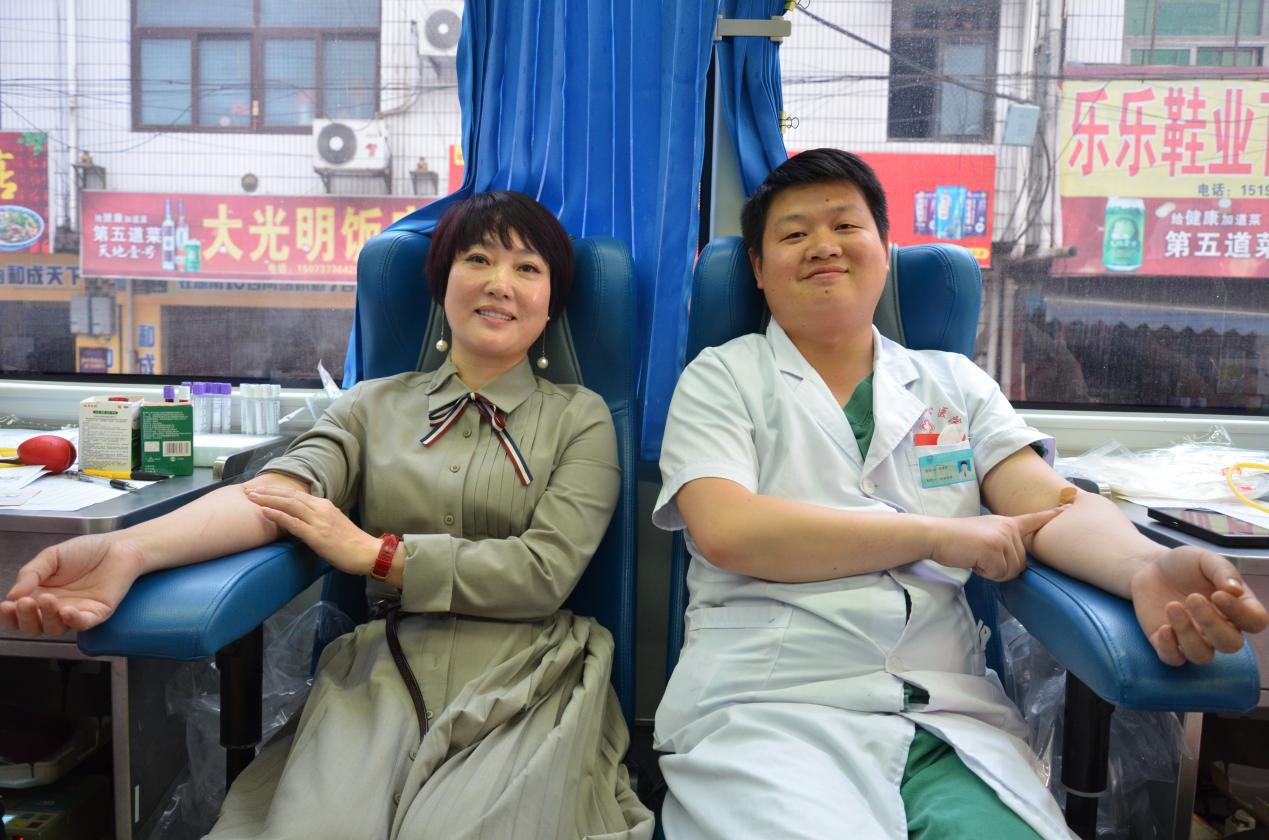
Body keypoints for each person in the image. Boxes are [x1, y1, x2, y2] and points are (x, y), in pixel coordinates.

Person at [651, 149, 1268, 840]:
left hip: (941, 715)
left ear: (884, 251)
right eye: (794, 234)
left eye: (845, 226)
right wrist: (938, 535)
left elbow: (1047, 506)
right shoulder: (722, 379)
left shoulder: (953, 383)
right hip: (769, 707)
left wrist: (1142, 566)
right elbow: (729, 530)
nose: (823, 246)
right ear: (760, 271)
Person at [2, 191, 654, 840]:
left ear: (551, 301)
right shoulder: (370, 406)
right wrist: (128, 550)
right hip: (388, 665)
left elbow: (544, 573)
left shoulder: (581, 416)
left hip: (530, 672)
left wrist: (378, 556)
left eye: (527, 268)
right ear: (442, 283)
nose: (499, 283)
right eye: (478, 259)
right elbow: (274, 495)